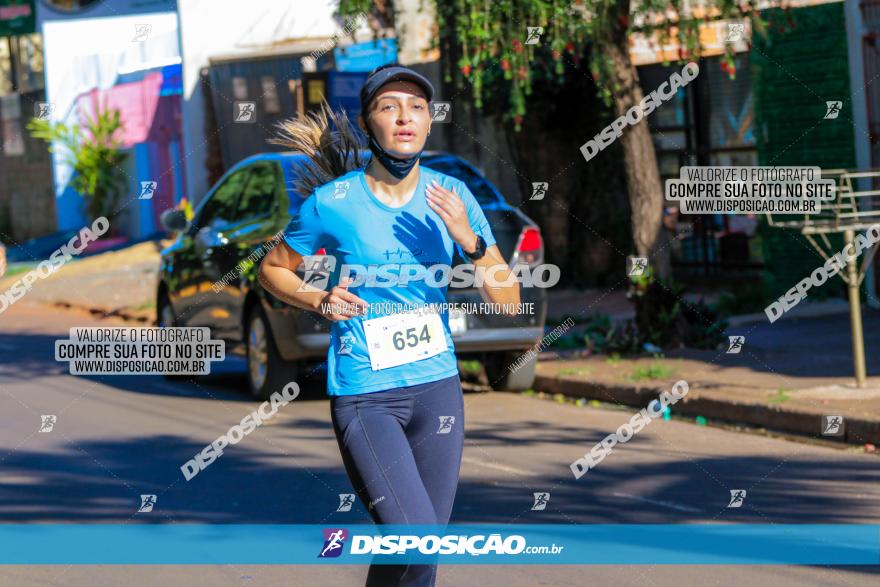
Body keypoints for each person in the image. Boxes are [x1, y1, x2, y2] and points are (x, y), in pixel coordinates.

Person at [259, 63, 521, 586]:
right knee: (414, 536)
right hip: (366, 394)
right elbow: (271, 268)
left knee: (419, 551)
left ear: (429, 124)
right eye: (389, 107)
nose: (405, 117)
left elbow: (509, 300)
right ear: (368, 122)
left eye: (417, 108)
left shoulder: (453, 197)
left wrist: (468, 239)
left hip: (438, 390)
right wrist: (317, 298)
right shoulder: (332, 203)